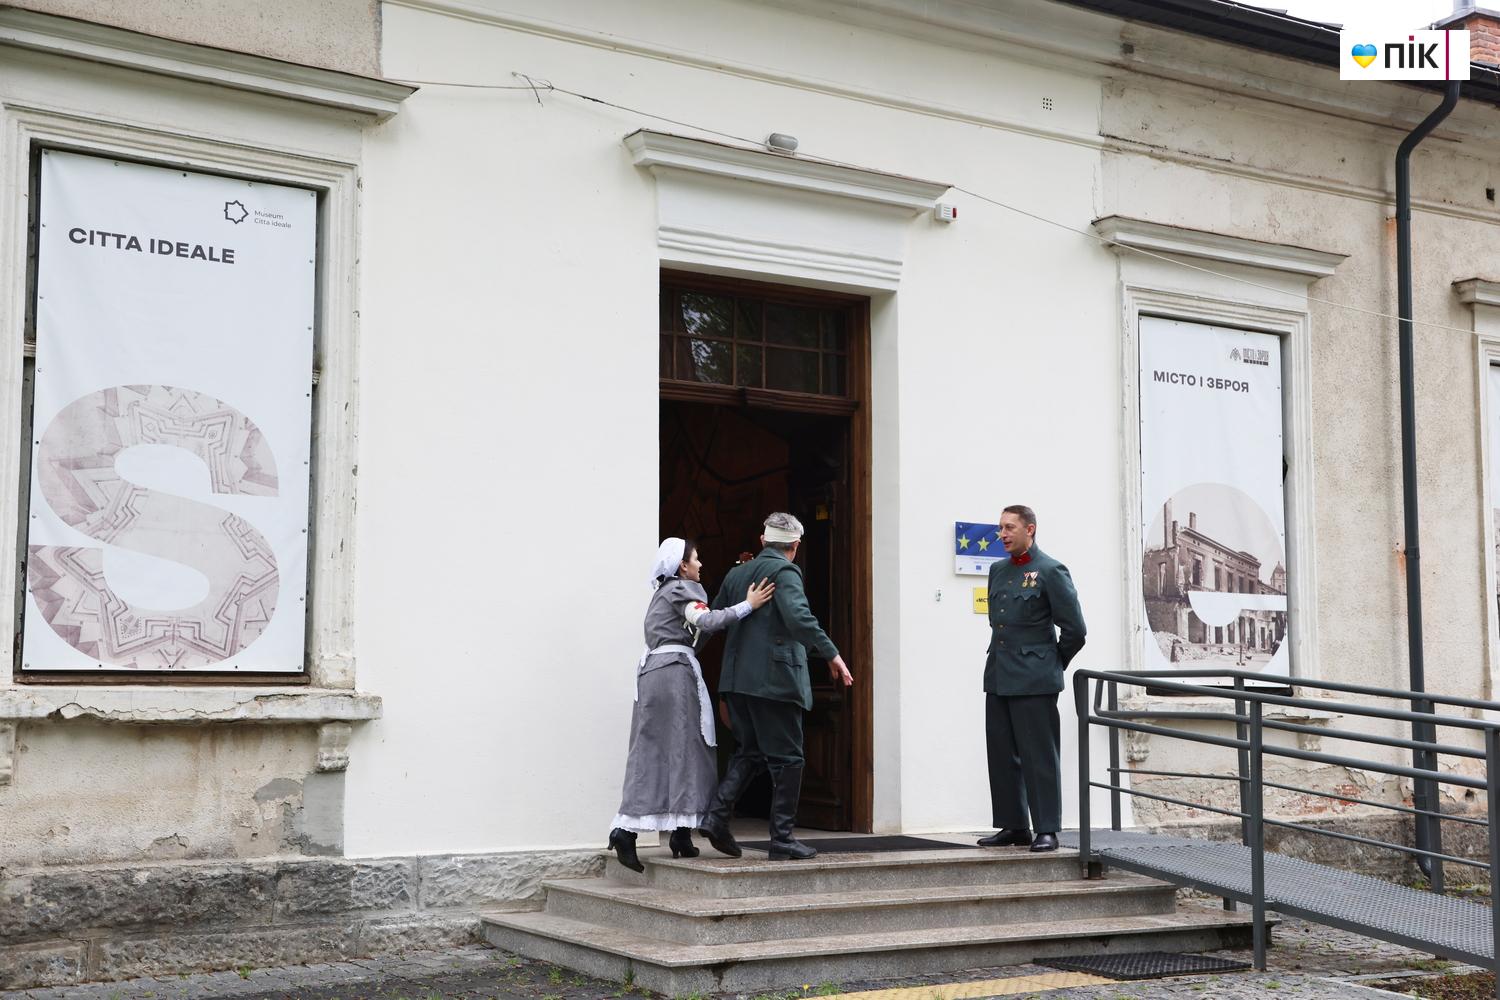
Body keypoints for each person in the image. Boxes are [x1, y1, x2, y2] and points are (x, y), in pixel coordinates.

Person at [608, 538, 775, 873]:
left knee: (662, 750)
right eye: (696, 559)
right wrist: (748, 605)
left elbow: (695, 635)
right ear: (683, 566)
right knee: (688, 749)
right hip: (673, 676)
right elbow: (707, 622)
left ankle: (679, 834)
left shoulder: (664, 592)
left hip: (655, 674)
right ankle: (627, 831)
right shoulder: (685, 589)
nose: (700, 565)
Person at [699, 513, 853, 861]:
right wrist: (831, 653)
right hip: (773, 680)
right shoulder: (785, 571)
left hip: (737, 680)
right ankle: (782, 838)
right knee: (788, 758)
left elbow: (715, 616)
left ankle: (717, 816)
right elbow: (799, 618)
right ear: (795, 546)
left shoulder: (737, 573)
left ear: (762, 539)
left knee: (750, 751)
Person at [978, 504, 1086, 853]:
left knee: (1039, 755)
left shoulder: (1051, 570)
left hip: (1035, 679)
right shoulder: (997, 571)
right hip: (999, 675)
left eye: (1010, 528)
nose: (1003, 535)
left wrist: (1051, 663)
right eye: (1000, 528)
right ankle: (1014, 825)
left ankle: (1047, 829)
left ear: (1030, 530)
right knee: (1002, 754)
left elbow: (1075, 630)